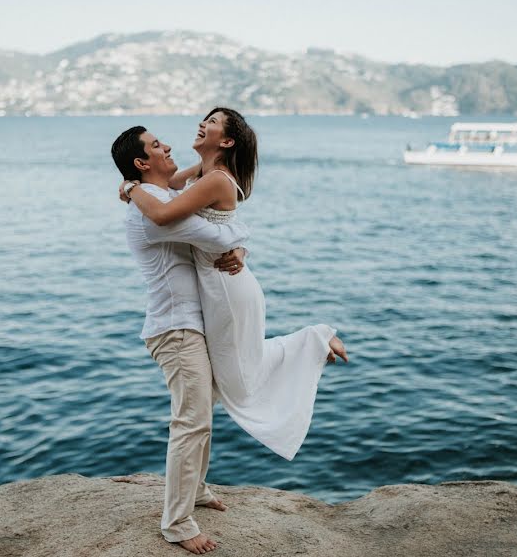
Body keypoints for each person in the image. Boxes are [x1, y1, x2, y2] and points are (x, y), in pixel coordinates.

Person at [121, 107, 348, 465]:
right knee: (235, 374)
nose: (201, 124)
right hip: (221, 283)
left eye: (211, 123)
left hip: (226, 287)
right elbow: (174, 187)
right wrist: (240, 246)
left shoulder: (215, 179)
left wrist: (132, 186)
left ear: (226, 141)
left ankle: (316, 339)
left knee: (238, 382)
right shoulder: (205, 173)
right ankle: (314, 342)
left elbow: (164, 214)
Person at [111, 125, 247, 555]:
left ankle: (198, 490)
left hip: (191, 324)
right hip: (175, 328)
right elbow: (221, 236)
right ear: (140, 162)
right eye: (156, 145)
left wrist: (133, 185)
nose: (167, 145)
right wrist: (241, 244)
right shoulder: (152, 211)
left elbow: (188, 190)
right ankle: (176, 522)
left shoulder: (161, 198)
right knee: (191, 421)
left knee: (202, 411)